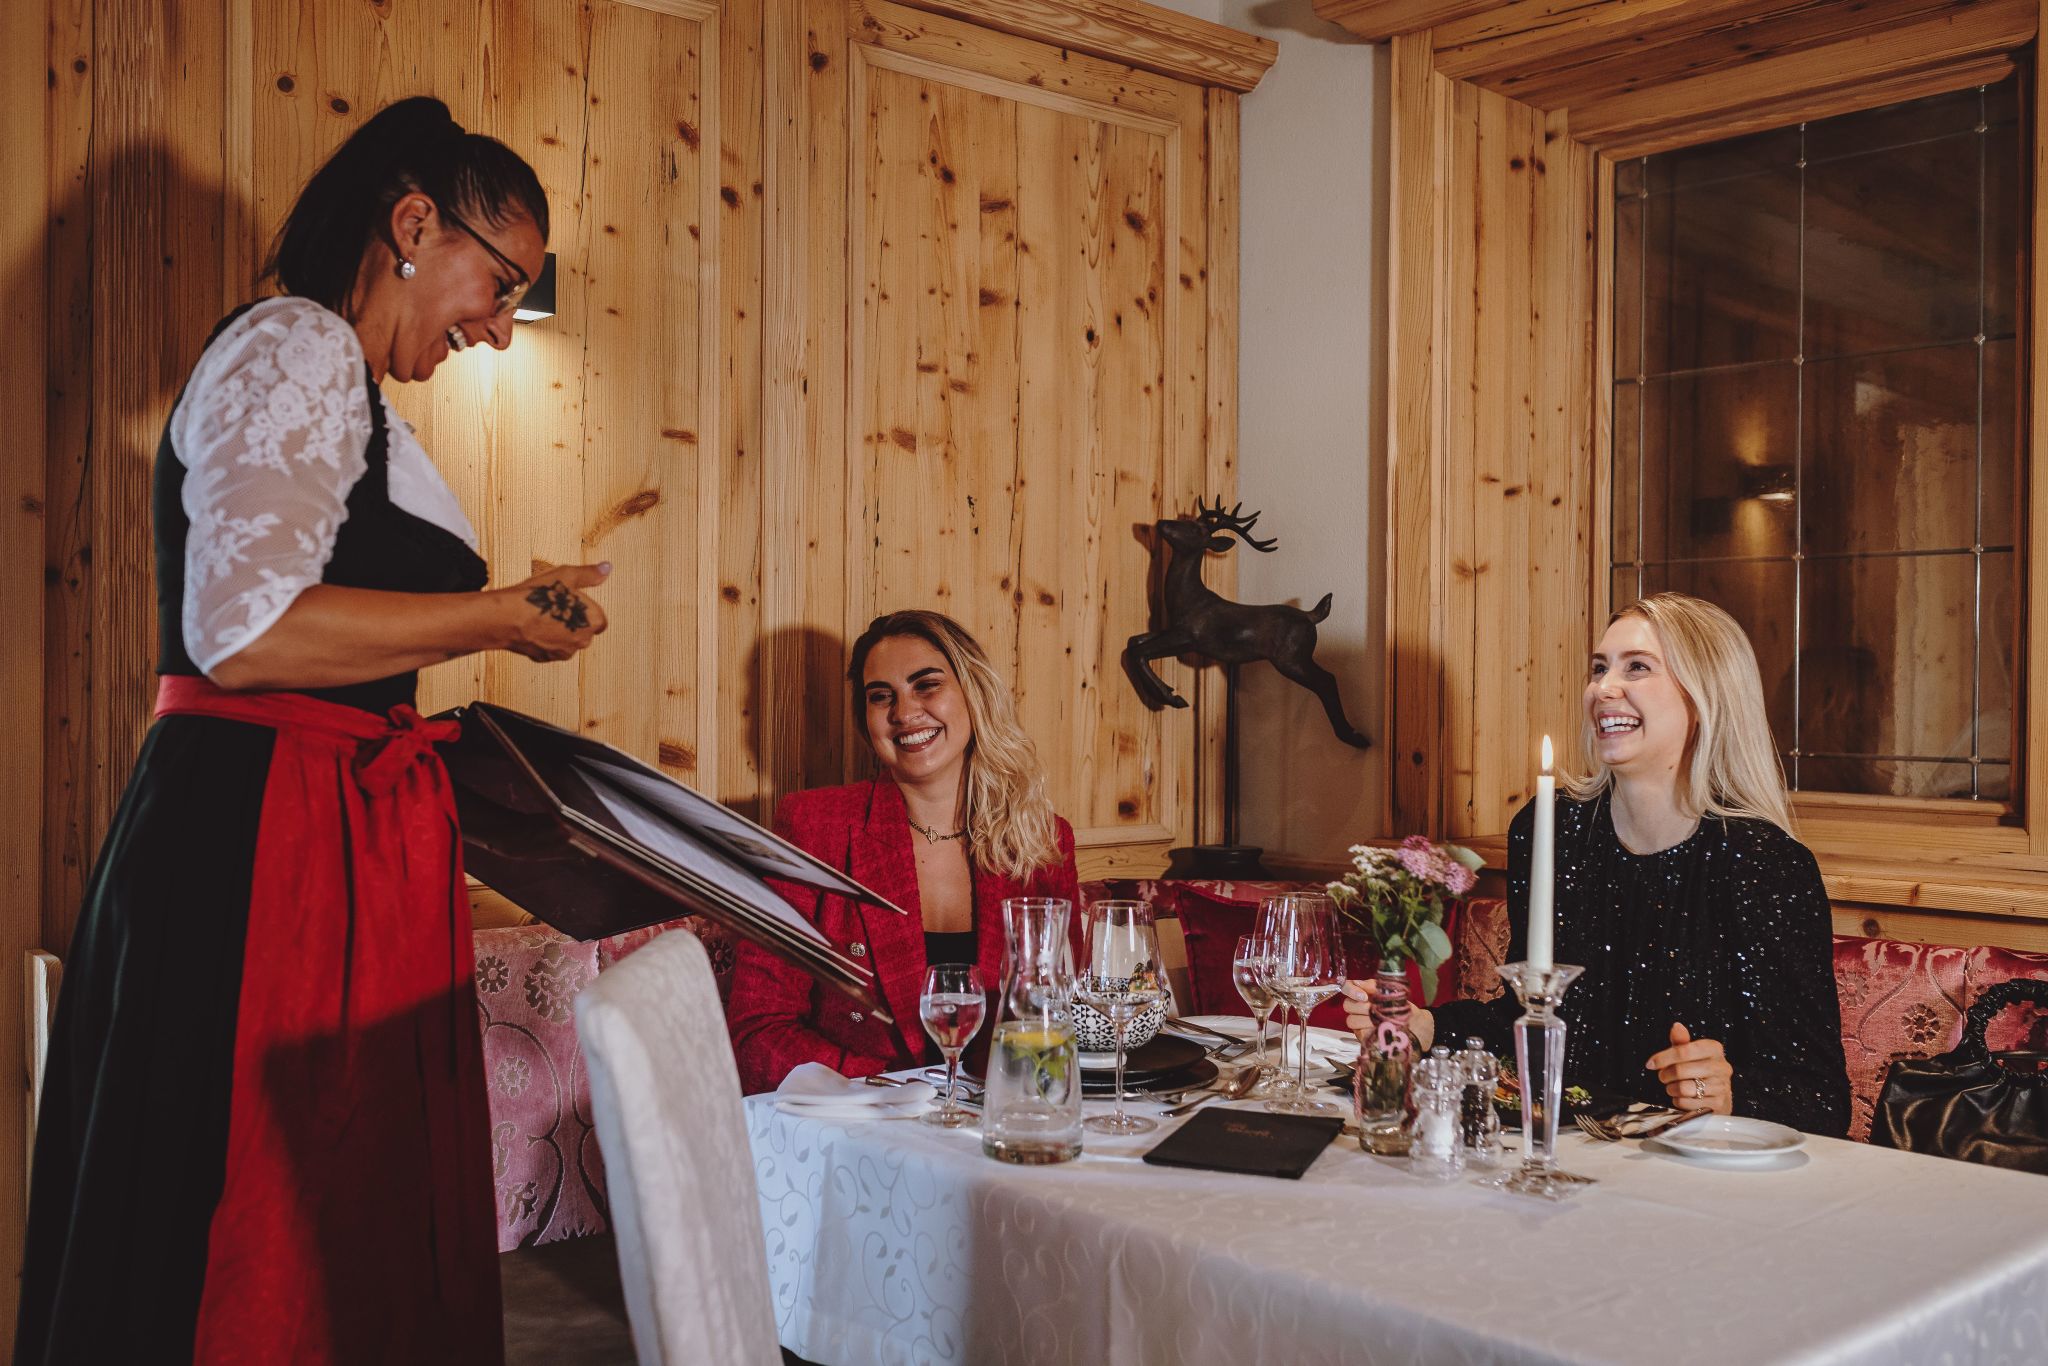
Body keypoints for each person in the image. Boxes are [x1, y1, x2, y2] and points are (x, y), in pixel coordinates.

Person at [18, 97, 612, 1365]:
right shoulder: (294, 342)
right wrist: (496, 615)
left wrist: (494, 621)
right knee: (253, 1220)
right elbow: (245, 633)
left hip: (336, 834)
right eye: (498, 281)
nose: (499, 329)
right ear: (412, 222)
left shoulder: (350, 387)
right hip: (264, 846)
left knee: (341, 1218)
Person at [1347, 593, 1850, 1136]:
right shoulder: (1551, 830)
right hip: (1565, 1151)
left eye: (1637, 667)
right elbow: (1532, 1018)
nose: (1603, 688)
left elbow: (1819, 1099)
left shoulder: (1764, 865)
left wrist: (1728, 1090)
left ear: (1704, 697)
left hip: (1688, 1172)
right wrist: (1426, 1025)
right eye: (1598, 668)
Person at [727, 610, 1080, 1093]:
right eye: (881, 696)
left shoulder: (1043, 840)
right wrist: (902, 1092)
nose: (904, 712)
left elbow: (1063, 1017)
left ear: (973, 695)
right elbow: (757, 1033)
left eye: (926, 685)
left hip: (1001, 1120)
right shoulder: (814, 828)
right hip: (864, 1129)